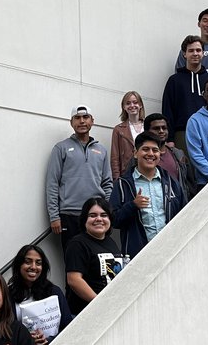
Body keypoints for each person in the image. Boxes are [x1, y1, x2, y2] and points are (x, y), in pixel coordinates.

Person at [45, 105, 113, 256]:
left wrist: (107, 211)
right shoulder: (61, 148)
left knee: (97, 261)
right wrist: (54, 216)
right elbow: (52, 183)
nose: (81, 121)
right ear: (71, 122)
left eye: (85, 117)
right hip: (69, 215)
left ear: (92, 121)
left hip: (96, 215)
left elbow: (108, 183)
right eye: (77, 118)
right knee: (73, 261)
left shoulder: (101, 150)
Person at [110, 132, 187, 258]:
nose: (150, 154)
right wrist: (133, 205)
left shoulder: (171, 182)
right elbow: (114, 220)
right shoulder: (123, 185)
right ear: (135, 153)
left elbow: (184, 215)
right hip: (139, 255)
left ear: (159, 154)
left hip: (170, 251)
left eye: (155, 150)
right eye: (145, 149)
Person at [64, 197, 122, 315]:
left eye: (104, 215)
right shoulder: (77, 244)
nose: (99, 219)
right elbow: (74, 280)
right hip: (87, 312)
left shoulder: (111, 242)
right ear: (84, 220)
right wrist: (99, 303)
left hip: (111, 309)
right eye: (93, 215)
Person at [8, 245, 71, 345]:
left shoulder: (54, 292)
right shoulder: (8, 294)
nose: (33, 267)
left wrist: (48, 340)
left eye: (38, 263)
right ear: (19, 265)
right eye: (28, 262)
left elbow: (68, 326)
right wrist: (26, 339)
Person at [163, 36, 208, 151]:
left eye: (198, 50)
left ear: (203, 53)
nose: (195, 53)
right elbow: (167, 110)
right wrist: (169, 139)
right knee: (185, 168)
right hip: (182, 133)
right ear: (184, 54)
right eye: (191, 50)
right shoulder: (174, 80)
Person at [143, 113, 195, 199]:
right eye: (156, 128)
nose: (161, 131)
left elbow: (190, 183)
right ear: (146, 132)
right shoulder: (141, 157)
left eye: (164, 128)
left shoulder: (178, 154)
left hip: (179, 205)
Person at [109, 90, 146, 180]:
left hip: (147, 171)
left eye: (135, 102)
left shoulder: (149, 127)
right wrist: (117, 180)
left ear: (140, 105)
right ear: (124, 107)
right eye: (128, 103)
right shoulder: (118, 130)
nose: (132, 105)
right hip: (127, 174)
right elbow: (115, 158)